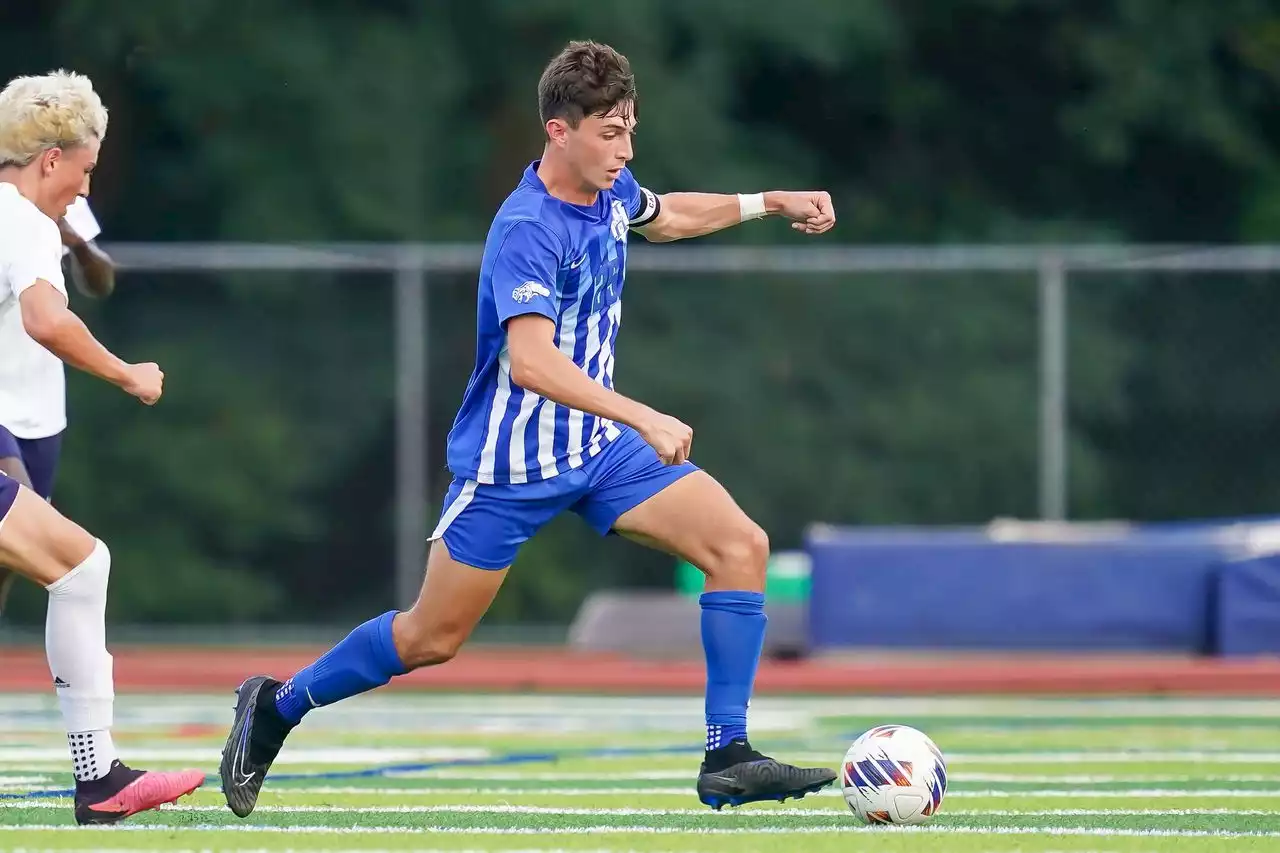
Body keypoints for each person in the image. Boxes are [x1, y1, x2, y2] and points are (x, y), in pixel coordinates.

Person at [220, 40, 838, 817]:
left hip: (599, 452)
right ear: (558, 131)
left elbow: (668, 216)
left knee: (738, 546)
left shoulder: (611, 191)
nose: (626, 149)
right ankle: (275, 707)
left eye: (630, 130)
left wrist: (770, 201)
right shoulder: (526, 227)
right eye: (610, 132)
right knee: (428, 638)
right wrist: (641, 413)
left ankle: (728, 753)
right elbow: (532, 363)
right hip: (511, 465)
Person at [0, 68, 204, 824]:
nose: (83, 186)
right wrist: (128, 373)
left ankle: (101, 778)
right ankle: (100, 778)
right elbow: (48, 322)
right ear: (51, 159)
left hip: (16, 427)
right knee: (83, 565)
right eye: (83, 169)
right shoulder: (20, 218)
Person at [0, 194, 115, 617]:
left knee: (9, 560)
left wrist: (78, 243)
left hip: (39, 405)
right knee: (24, 519)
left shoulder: (61, 199)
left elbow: (102, 282)